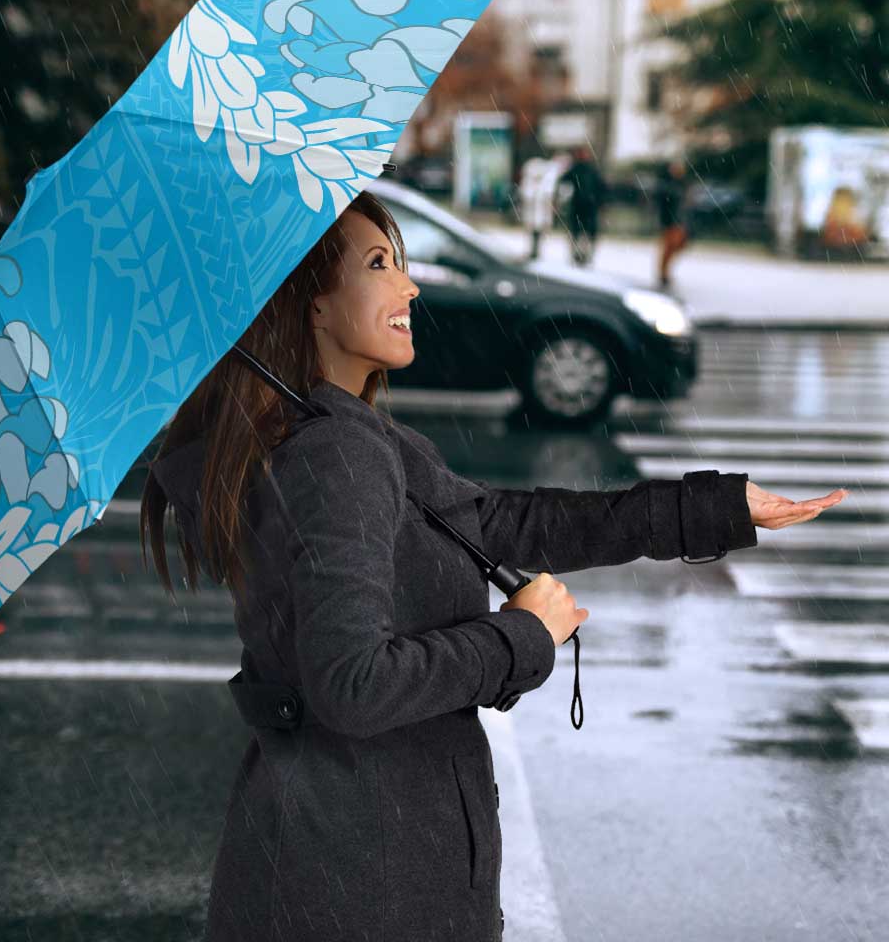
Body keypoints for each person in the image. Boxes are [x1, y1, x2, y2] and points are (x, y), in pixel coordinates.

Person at [140, 189, 844, 942]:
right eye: (379, 264)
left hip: (342, 860)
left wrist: (715, 509)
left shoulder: (341, 436)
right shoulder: (334, 454)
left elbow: (505, 523)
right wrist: (520, 637)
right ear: (309, 303)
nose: (409, 286)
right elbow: (352, 685)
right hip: (363, 880)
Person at [557, 144, 607, 267]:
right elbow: (563, 182)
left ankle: (584, 255)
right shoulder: (577, 169)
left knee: (585, 233)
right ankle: (578, 255)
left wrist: (600, 202)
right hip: (580, 206)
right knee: (578, 232)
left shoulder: (590, 170)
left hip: (588, 206)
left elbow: (601, 188)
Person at [655, 157, 691, 288]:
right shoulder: (667, 185)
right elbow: (664, 204)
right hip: (670, 221)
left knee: (677, 246)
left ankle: (664, 272)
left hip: (679, 221)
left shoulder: (682, 184)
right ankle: (663, 273)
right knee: (669, 247)